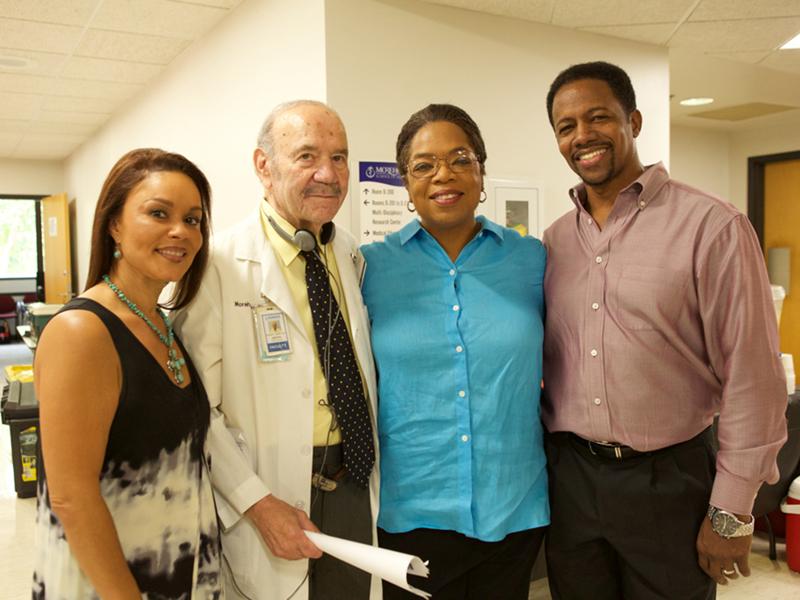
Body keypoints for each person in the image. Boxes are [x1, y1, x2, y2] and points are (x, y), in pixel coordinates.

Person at [541, 61, 788, 600]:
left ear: (633, 120)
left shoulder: (713, 226)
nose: (582, 136)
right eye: (566, 126)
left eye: (598, 117)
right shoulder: (554, 241)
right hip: (573, 481)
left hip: (670, 480)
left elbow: (753, 379)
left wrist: (731, 514)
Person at [173, 100, 380, 600]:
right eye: (307, 156)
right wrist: (258, 503)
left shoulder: (348, 253)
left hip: (352, 476)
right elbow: (198, 409)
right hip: (268, 488)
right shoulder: (218, 265)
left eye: (339, 157)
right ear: (264, 166)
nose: (328, 174)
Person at [361, 103, 549, 599]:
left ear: (481, 171)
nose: (444, 174)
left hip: (514, 508)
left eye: (460, 159)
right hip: (410, 514)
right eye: (424, 165)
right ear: (405, 182)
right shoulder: (369, 270)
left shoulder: (532, 259)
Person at [31, 148, 221, 599]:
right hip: (108, 582)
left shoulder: (161, 323)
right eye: (159, 213)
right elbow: (71, 499)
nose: (181, 232)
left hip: (179, 571)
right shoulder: (83, 331)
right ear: (114, 224)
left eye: (193, 219)